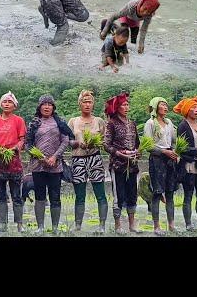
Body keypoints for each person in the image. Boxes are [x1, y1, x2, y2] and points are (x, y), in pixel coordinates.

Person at [25, 95, 74, 234]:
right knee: (40, 196)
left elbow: (65, 141)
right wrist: (39, 157)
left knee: (55, 196)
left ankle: (55, 228)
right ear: (39, 107)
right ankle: (40, 227)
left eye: (49, 104)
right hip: (38, 166)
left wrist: (54, 157)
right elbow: (27, 144)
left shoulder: (59, 122)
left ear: (53, 107)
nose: (47, 107)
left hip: (55, 166)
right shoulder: (34, 123)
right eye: (44, 104)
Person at [0, 91, 27, 233]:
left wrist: (16, 148)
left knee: (16, 194)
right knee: (0, 194)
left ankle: (20, 224)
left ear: (14, 105)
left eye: (10, 102)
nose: (7, 104)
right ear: (1, 104)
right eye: (5, 102)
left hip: (13, 161)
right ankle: (3, 224)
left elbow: (22, 139)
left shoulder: (19, 120)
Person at [67, 90, 108, 233]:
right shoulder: (73, 121)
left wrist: (94, 143)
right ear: (80, 104)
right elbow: (68, 140)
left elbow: (105, 141)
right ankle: (78, 225)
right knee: (80, 194)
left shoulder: (99, 121)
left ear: (93, 104)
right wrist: (78, 143)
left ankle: (102, 225)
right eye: (84, 102)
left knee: (100, 193)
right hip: (78, 159)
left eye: (90, 102)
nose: (87, 104)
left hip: (95, 158)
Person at [103, 92, 142, 234]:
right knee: (118, 194)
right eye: (123, 105)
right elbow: (106, 145)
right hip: (118, 165)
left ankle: (132, 224)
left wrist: (138, 152)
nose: (126, 107)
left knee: (132, 194)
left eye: (127, 104)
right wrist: (118, 153)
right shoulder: (111, 123)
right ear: (117, 108)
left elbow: (137, 143)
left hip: (132, 165)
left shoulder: (132, 124)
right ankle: (118, 225)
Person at [173, 96, 197, 231]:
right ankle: (189, 225)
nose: (196, 110)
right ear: (186, 111)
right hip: (188, 166)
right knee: (188, 195)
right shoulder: (183, 126)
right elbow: (181, 148)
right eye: (193, 108)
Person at [143, 97, 178, 235]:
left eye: (166, 104)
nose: (165, 106)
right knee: (157, 193)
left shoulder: (169, 123)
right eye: (162, 104)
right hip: (157, 159)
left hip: (170, 159)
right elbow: (148, 145)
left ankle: (172, 225)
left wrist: (175, 152)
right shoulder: (150, 123)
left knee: (170, 193)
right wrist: (164, 151)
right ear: (156, 107)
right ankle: (156, 227)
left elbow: (174, 141)